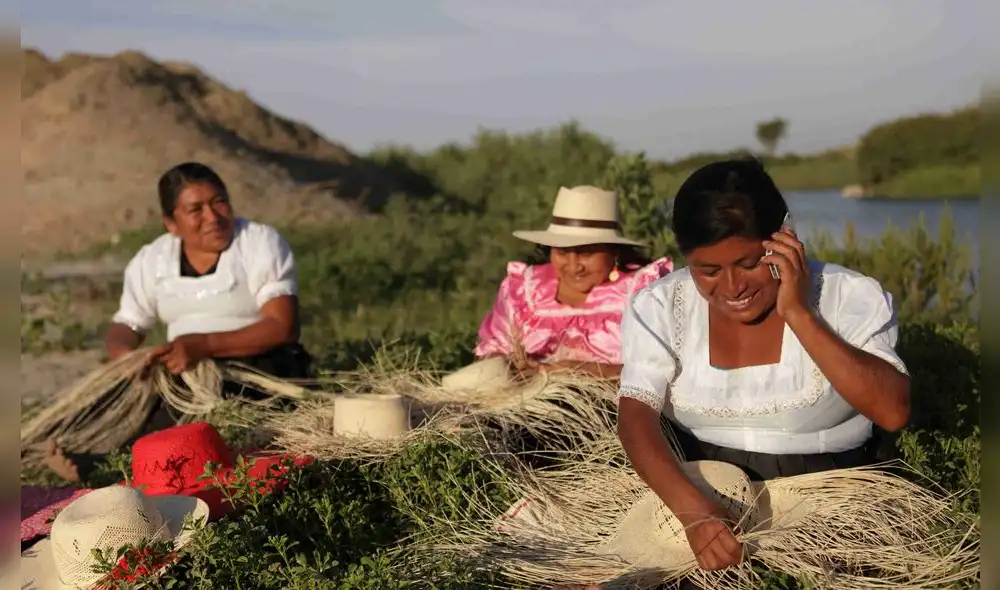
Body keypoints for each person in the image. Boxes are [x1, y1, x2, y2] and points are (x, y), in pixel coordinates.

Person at [616, 158, 911, 576]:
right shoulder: (661, 306)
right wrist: (694, 512)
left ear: (785, 237)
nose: (733, 287)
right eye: (709, 271)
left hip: (828, 504)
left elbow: (892, 411)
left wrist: (800, 314)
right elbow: (635, 419)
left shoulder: (848, 297)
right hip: (700, 492)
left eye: (750, 262)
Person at [45, 161, 315, 482]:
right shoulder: (152, 261)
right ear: (171, 223)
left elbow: (283, 326)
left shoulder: (259, 243)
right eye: (195, 210)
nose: (213, 218)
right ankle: (83, 453)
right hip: (185, 370)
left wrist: (205, 345)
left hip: (258, 368)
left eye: (219, 202)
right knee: (110, 403)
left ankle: (113, 468)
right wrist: (127, 359)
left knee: (192, 408)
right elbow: (127, 325)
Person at [474, 185, 674, 380]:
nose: (574, 266)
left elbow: (662, 369)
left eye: (586, 253)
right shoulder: (523, 290)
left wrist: (581, 371)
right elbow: (494, 351)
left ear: (614, 251)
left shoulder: (643, 293)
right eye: (561, 252)